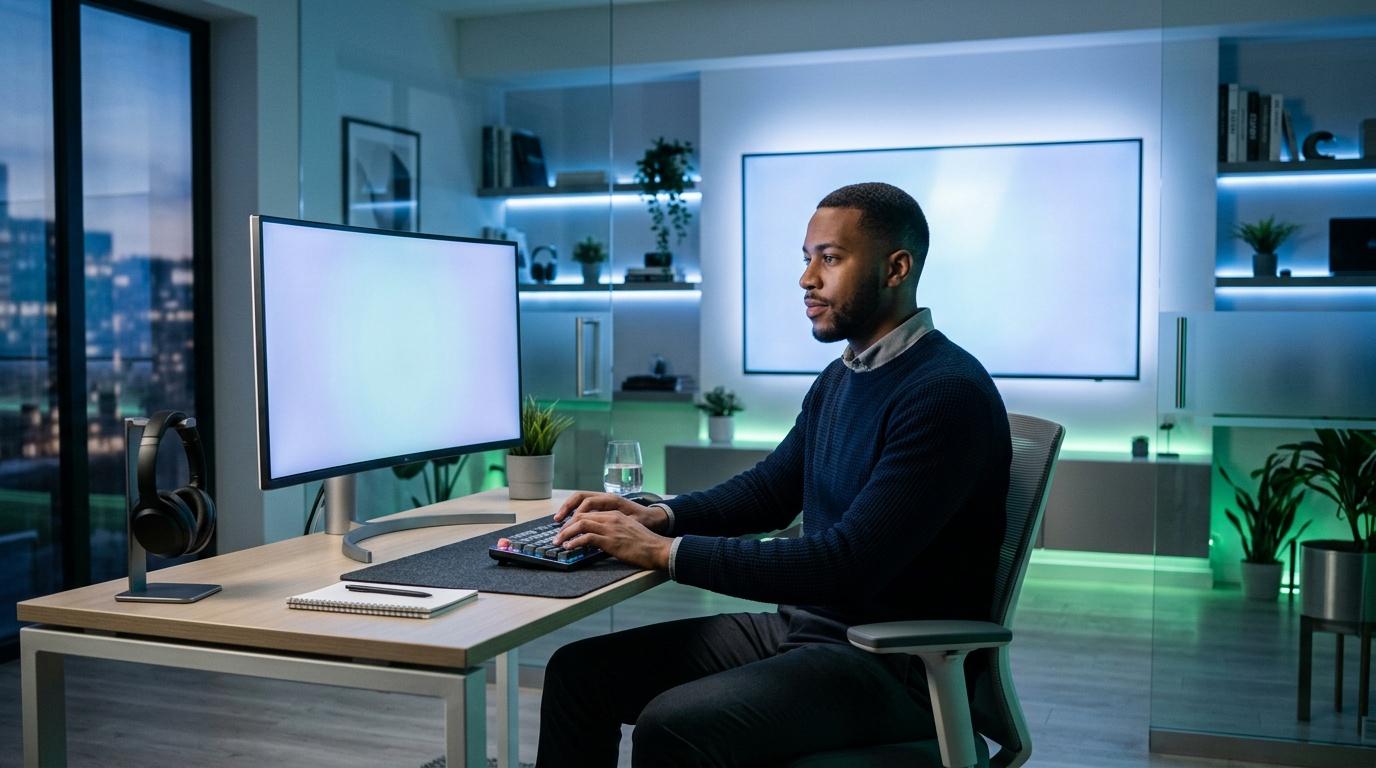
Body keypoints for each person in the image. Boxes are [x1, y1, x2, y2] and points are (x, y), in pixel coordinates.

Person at [537, 182, 1011, 767]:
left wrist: (665, 552)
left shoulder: (944, 393)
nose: (807, 278)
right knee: (580, 674)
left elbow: (844, 563)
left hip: (897, 666)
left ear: (896, 268)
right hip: (810, 631)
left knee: (673, 728)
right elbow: (769, 491)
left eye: (830, 258)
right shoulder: (843, 376)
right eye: (807, 258)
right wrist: (659, 514)